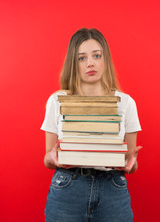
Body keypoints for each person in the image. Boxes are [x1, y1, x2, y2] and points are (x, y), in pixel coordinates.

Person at [41, 28, 142, 222]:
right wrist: (53, 158)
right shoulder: (57, 100)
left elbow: (130, 160)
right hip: (67, 187)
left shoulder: (126, 102)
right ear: (74, 63)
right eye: (81, 58)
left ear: (105, 59)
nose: (90, 63)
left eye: (96, 55)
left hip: (113, 188)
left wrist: (131, 164)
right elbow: (47, 158)